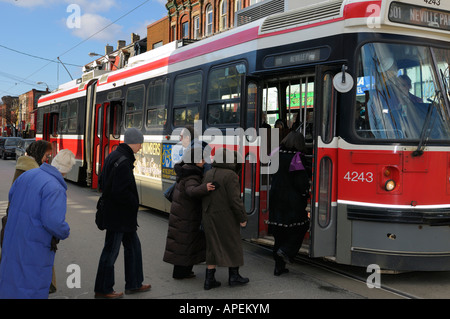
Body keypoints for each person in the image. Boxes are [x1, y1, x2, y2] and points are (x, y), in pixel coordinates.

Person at [0, 149, 75, 299]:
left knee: (11, 281)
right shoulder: (55, 187)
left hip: (13, 239)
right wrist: (65, 231)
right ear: (66, 171)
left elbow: (12, 197)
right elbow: (54, 222)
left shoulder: (27, 175)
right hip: (34, 246)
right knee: (31, 285)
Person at [94, 127, 151, 299]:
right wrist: (134, 202)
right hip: (119, 215)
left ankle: (134, 284)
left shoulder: (114, 155)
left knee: (133, 247)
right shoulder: (124, 160)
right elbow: (120, 191)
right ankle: (103, 289)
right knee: (111, 251)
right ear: (134, 142)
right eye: (140, 143)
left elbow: (103, 181)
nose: (141, 147)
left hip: (119, 215)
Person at [163, 147, 215, 279]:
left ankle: (184, 271)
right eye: (202, 159)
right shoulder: (192, 175)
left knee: (184, 244)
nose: (204, 161)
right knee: (185, 244)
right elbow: (192, 191)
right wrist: (205, 187)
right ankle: (181, 273)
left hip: (183, 214)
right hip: (186, 216)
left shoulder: (186, 170)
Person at [201, 148, 249, 290]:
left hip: (209, 214)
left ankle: (209, 279)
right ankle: (234, 276)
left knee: (212, 246)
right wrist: (242, 217)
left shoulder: (209, 173)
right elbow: (235, 200)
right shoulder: (230, 175)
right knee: (233, 244)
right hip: (225, 216)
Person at [267, 131, 310, 276]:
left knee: (279, 234)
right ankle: (286, 251)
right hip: (292, 200)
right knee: (302, 226)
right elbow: (301, 182)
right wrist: (305, 193)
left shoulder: (276, 153)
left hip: (275, 197)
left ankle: (278, 267)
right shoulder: (297, 157)